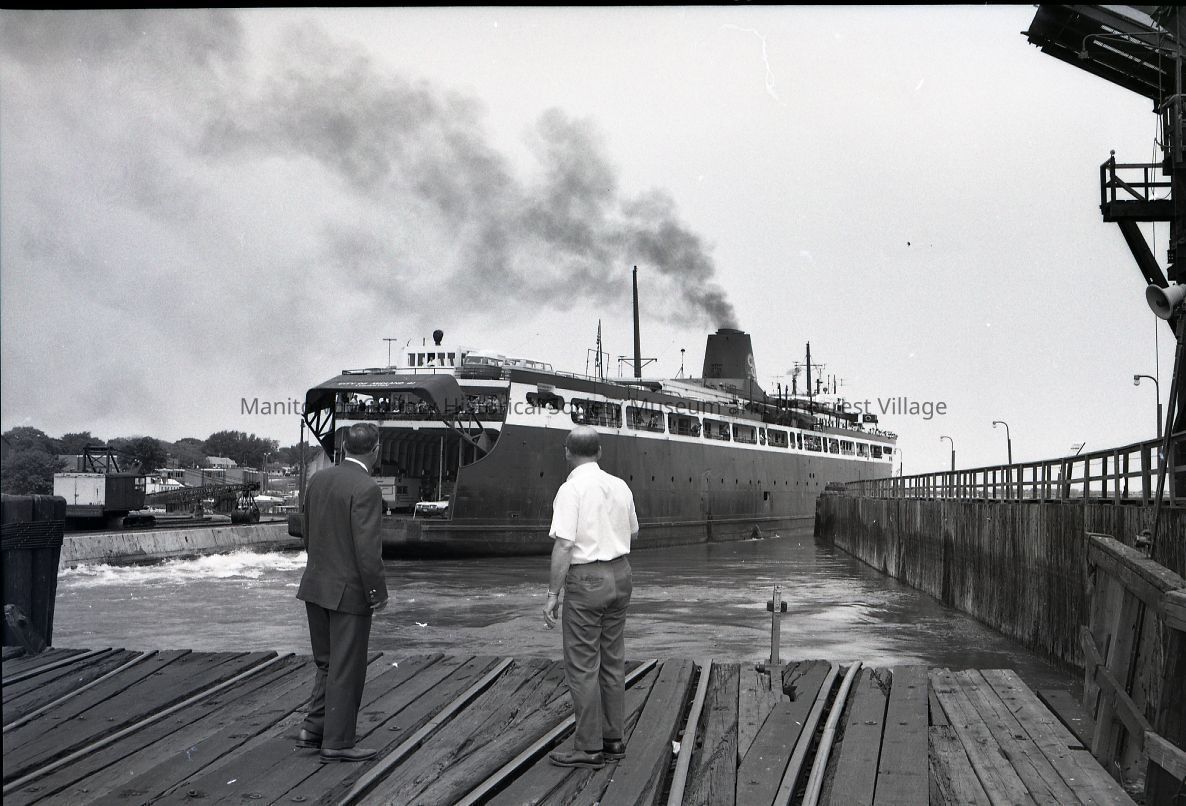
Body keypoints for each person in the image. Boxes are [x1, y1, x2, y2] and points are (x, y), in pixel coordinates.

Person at [542, 425, 639, 769]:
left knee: (583, 665)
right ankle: (613, 740)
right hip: (621, 575)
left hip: (587, 580)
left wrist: (553, 593)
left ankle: (588, 747)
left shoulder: (571, 489)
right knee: (612, 660)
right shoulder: (620, 485)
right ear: (599, 452)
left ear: (567, 452)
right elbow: (634, 531)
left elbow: (565, 544)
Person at [296, 422, 388, 763]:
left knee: (326, 662)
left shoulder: (318, 481)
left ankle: (313, 729)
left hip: (315, 585)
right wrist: (377, 593)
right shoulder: (367, 488)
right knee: (346, 667)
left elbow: (307, 534)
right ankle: (337, 742)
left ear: (344, 447)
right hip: (348, 593)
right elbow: (368, 551)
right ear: (375, 450)